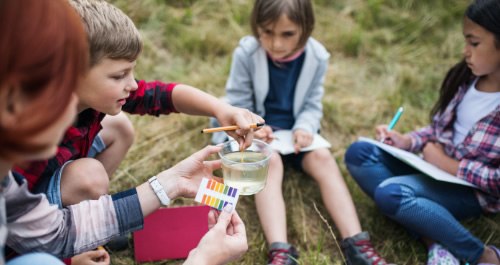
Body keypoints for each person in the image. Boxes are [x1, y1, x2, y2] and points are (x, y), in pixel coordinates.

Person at [0, 0, 247, 265]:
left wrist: (219, 110)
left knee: (118, 127)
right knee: (88, 178)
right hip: (38, 207)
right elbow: (24, 237)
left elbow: (44, 230)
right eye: (119, 76)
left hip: (40, 213)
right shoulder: (21, 162)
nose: (132, 85)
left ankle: (98, 223)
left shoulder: (12, 174)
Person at [210, 0, 388, 264]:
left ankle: (358, 246)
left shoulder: (317, 57)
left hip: (295, 135)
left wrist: (305, 127)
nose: (276, 43)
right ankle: (281, 251)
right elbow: (237, 101)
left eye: (287, 34)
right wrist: (255, 126)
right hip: (257, 134)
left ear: (305, 28)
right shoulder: (246, 53)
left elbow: (312, 104)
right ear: (257, 26)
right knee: (269, 162)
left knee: (323, 159)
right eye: (267, 32)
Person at [344, 0, 500, 264]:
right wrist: (407, 141)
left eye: (474, 44)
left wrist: (447, 164)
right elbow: (439, 130)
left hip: (470, 191)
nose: (466, 52)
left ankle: (483, 256)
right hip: (433, 170)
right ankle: (435, 240)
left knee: (391, 193)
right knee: (359, 153)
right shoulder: (467, 79)